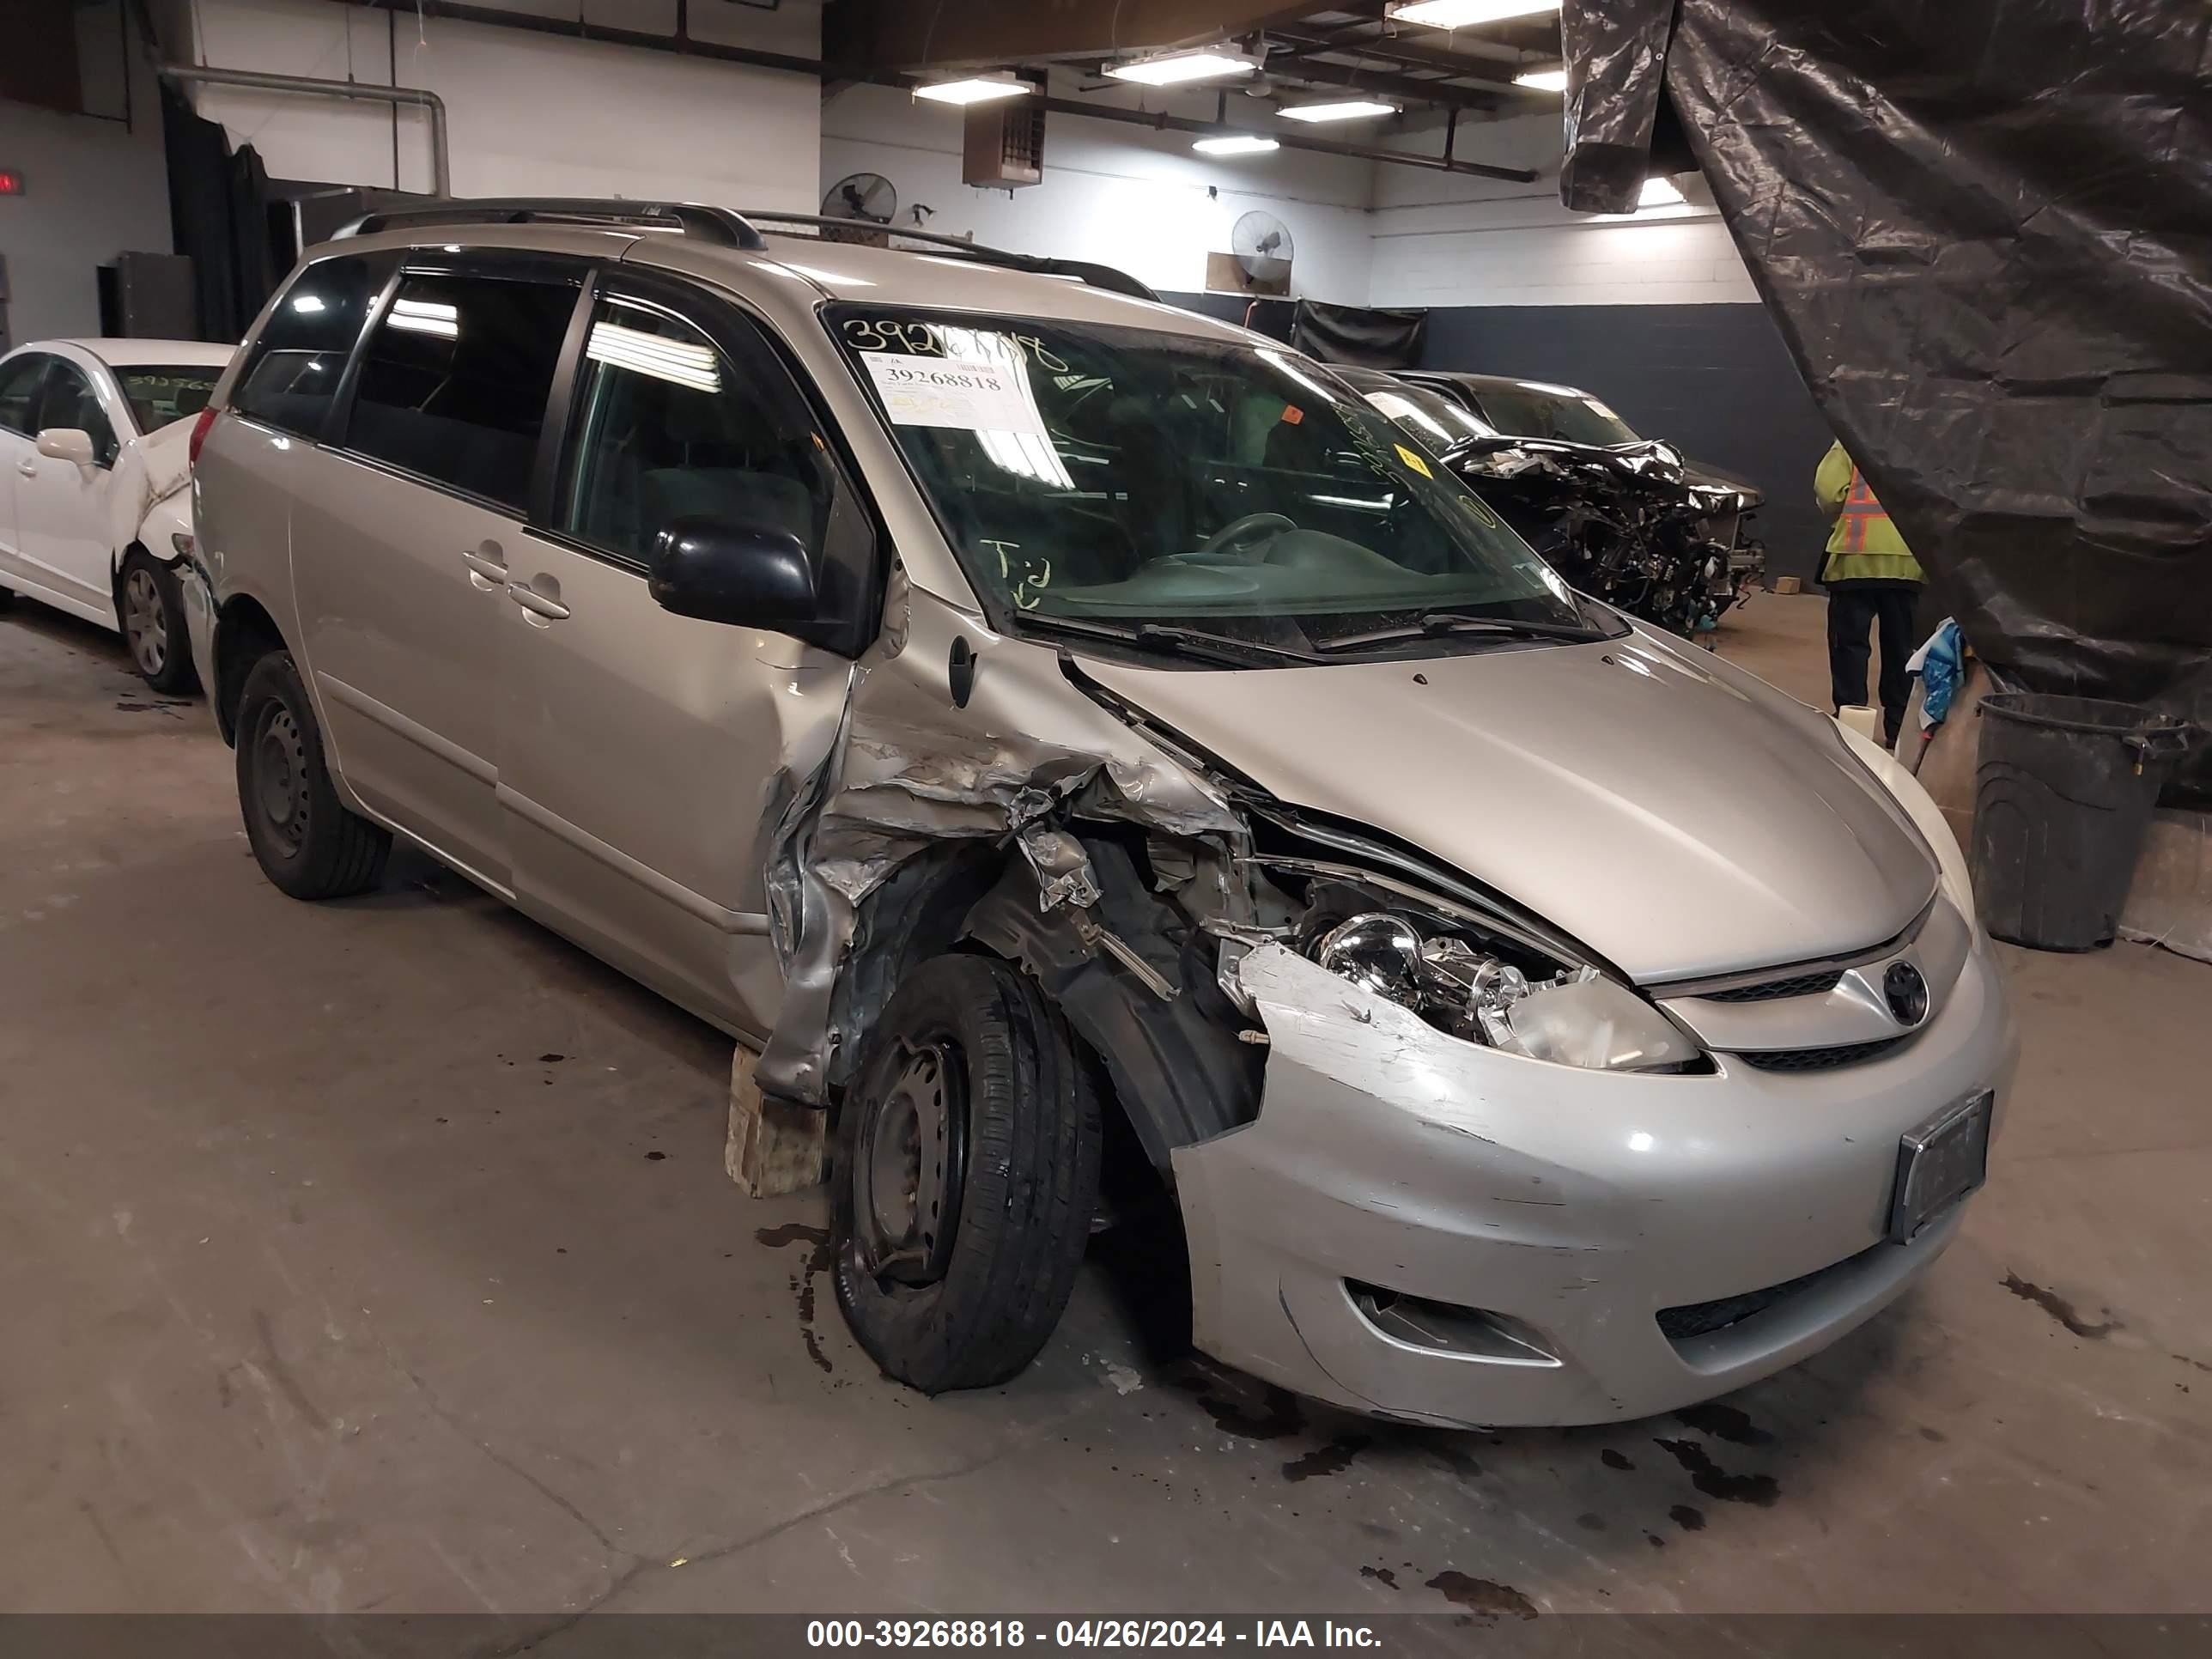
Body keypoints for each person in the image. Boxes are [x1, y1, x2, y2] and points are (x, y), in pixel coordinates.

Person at [1814, 440, 1925, 745]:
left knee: (1849, 645)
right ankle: (1898, 728)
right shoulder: (1924, 441)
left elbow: (1828, 490)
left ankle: (1853, 727)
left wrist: (1842, 513)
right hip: (1907, 562)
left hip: (1855, 558)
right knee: (1900, 649)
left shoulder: (1850, 437)